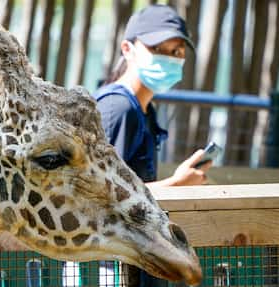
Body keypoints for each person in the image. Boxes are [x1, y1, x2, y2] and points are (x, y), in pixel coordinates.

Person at [92, 5, 212, 287]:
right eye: (158, 47)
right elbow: (101, 198)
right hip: (112, 268)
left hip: (140, 260)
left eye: (177, 51)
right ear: (127, 49)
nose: (170, 58)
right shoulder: (117, 108)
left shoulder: (144, 109)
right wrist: (177, 184)